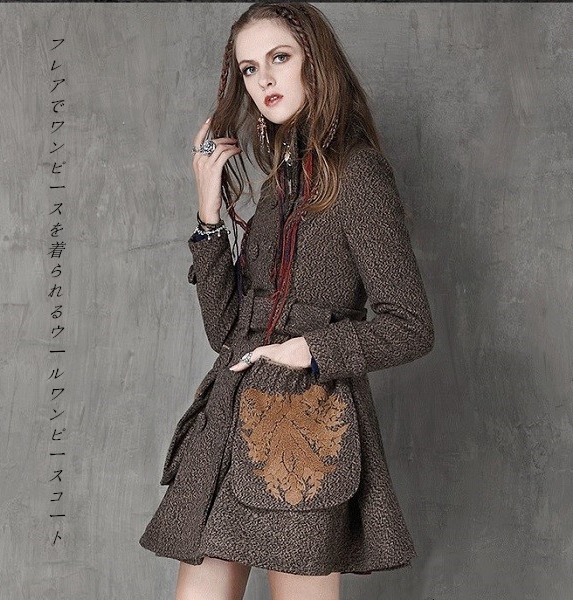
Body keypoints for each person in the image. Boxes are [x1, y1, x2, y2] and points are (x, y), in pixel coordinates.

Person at [139, 3, 435, 600]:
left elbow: (410, 326)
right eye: (249, 69)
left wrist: (309, 350)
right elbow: (227, 331)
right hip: (229, 423)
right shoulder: (278, 186)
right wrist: (208, 211)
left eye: (280, 58)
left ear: (314, 62)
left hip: (304, 435)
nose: (264, 80)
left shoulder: (356, 173)